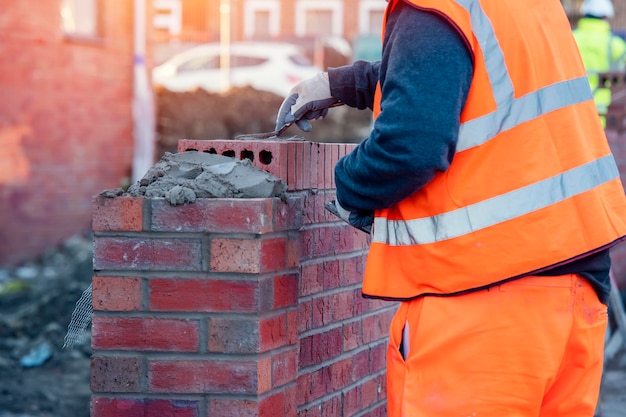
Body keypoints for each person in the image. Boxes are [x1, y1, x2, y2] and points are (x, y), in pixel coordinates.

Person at [275, 0, 626, 416]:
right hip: (573, 299)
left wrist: (349, 186)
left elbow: (408, 148)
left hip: (483, 312)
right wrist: (349, 82)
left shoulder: (434, 6)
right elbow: (465, 76)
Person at [573, 0, 626, 127]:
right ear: (605, 17)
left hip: (573, 107)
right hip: (602, 112)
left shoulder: (571, 39)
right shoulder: (615, 45)